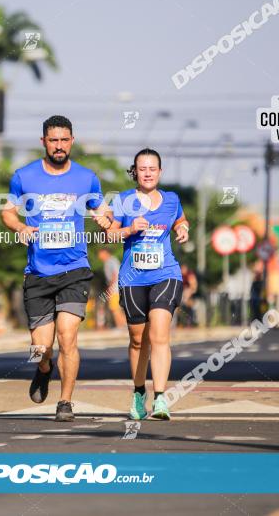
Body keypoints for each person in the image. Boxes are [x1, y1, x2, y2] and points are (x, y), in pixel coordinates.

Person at [0, 115, 112, 421]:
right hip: (37, 273)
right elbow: (7, 212)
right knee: (40, 347)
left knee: (67, 336)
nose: (59, 146)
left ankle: (65, 402)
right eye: (53, 140)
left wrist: (106, 218)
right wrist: (19, 227)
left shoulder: (87, 178)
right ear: (43, 142)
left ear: (72, 141)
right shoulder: (24, 177)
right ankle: (43, 368)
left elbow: (103, 209)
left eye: (64, 140)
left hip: (75, 269)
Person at [105, 148, 190, 420]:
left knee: (159, 335)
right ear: (135, 171)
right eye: (143, 168)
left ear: (160, 172)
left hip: (165, 274)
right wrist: (130, 229)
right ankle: (139, 393)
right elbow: (109, 235)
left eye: (153, 168)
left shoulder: (171, 199)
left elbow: (180, 218)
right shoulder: (124, 200)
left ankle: (162, 398)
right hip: (132, 278)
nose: (148, 173)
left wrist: (182, 227)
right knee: (138, 340)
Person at [97, 249, 126, 327]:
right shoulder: (108, 262)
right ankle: (123, 326)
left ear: (105, 252)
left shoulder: (111, 261)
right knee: (116, 309)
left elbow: (116, 274)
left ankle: (121, 327)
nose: (99, 256)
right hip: (114, 287)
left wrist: (111, 286)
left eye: (100, 254)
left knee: (115, 309)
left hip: (115, 288)